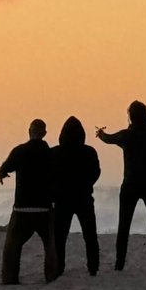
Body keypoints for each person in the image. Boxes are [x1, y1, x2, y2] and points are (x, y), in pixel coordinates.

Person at [98, 101, 146, 272]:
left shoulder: (126, 136)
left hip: (130, 183)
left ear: (130, 116)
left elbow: (109, 139)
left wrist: (100, 133)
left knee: (124, 225)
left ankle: (119, 263)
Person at [0, 119, 58, 285]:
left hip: (22, 208)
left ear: (29, 131)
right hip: (44, 208)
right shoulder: (50, 154)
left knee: (12, 247)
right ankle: (51, 276)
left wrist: (2, 173)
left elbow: (5, 168)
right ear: (44, 133)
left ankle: (10, 278)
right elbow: (57, 178)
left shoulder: (20, 151)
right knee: (50, 246)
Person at [52, 117, 102, 276]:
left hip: (61, 199)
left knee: (59, 237)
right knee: (90, 235)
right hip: (84, 197)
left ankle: (59, 267)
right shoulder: (89, 151)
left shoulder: (54, 152)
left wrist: (54, 190)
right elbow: (96, 172)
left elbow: (48, 174)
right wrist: (87, 184)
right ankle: (93, 267)